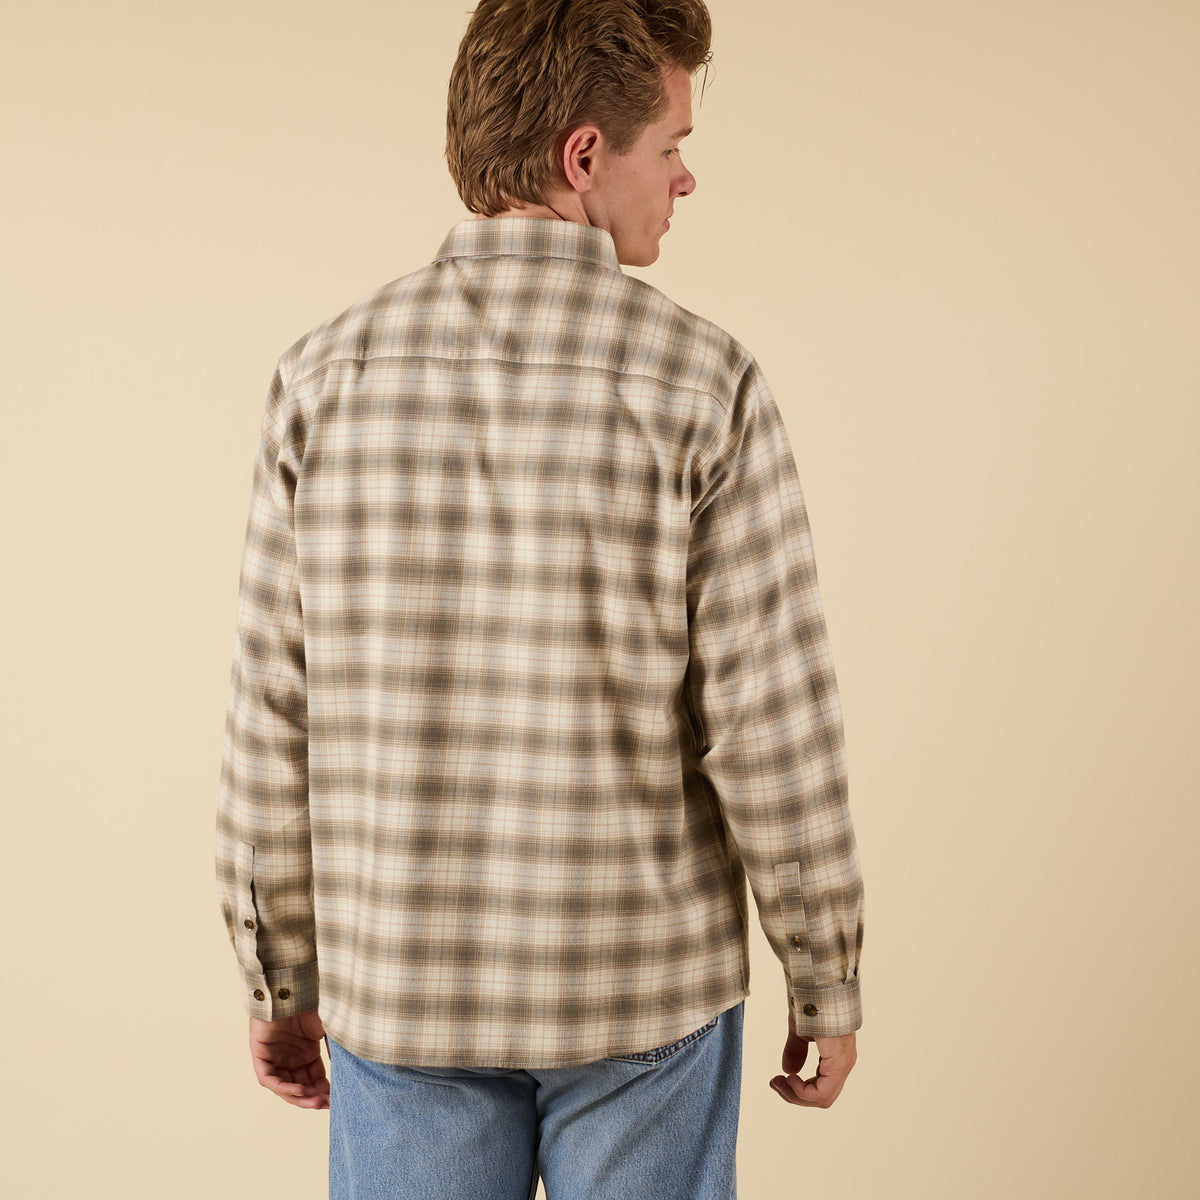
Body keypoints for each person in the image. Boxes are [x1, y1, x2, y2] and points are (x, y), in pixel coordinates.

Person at [216, 1, 865, 1196]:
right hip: (642, 997)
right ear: (584, 156)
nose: (684, 177)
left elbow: (273, 715)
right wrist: (824, 973)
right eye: (669, 145)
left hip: (403, 999)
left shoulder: (322, 380)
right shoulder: (704, 383)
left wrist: (278, 975)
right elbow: (770, 724)